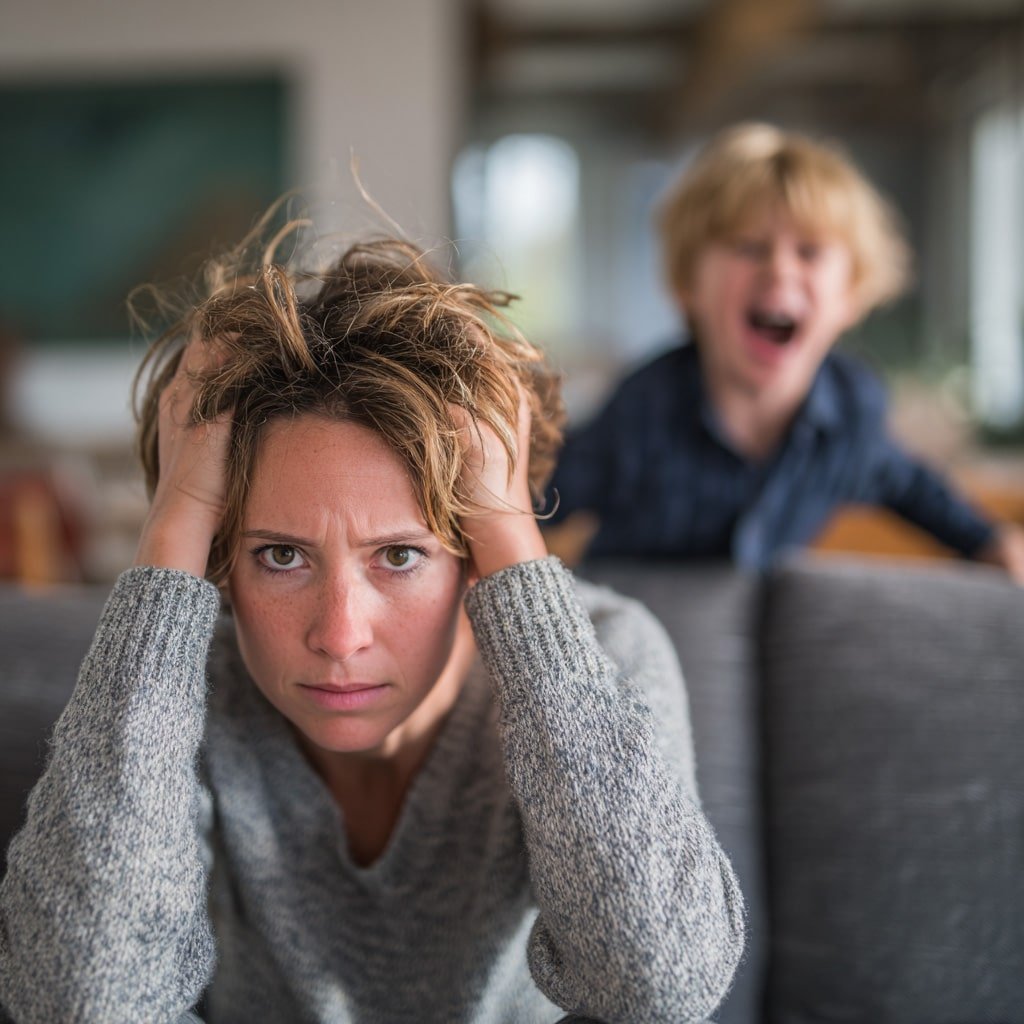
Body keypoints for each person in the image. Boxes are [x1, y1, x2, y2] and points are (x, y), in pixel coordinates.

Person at [0, 227, 744, 1024]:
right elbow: (80, 1003)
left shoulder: (606, 655)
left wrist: (510, 538)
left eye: (399, 555)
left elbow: (662, 988)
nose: (340, 635)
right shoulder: (171, 688)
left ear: (475, 553)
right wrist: (177, 515)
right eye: (281, 555)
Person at [544, 123, 1024, 581]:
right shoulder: (644, 409)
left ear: (851, 294)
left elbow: (910, 485)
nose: (779, 271)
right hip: (637, 621)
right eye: (749, 247)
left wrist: (986, 540)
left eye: (809, 252)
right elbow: (544, 491)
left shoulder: (852, 416)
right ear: (691, 283)